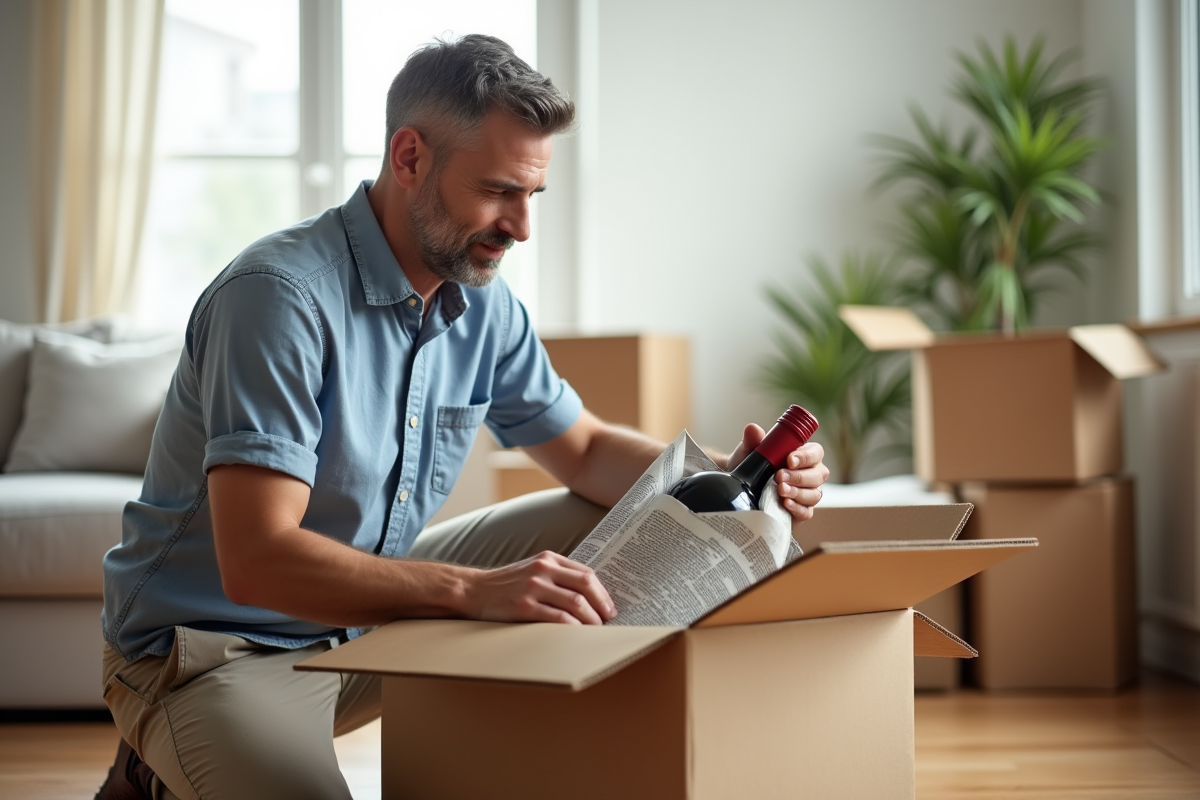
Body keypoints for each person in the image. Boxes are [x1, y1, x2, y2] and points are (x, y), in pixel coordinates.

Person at [95, 34, 830, 800]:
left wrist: (731, 479)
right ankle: (156, 760)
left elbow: (582, 450)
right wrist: (473, 592)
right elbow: (257, 562)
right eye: (497, 190)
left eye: (532, 196)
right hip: (220, 649)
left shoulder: (482, 300)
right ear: (409, 158)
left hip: (366, 623)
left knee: (607, 509)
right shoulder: (279, 299)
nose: (520, 226)